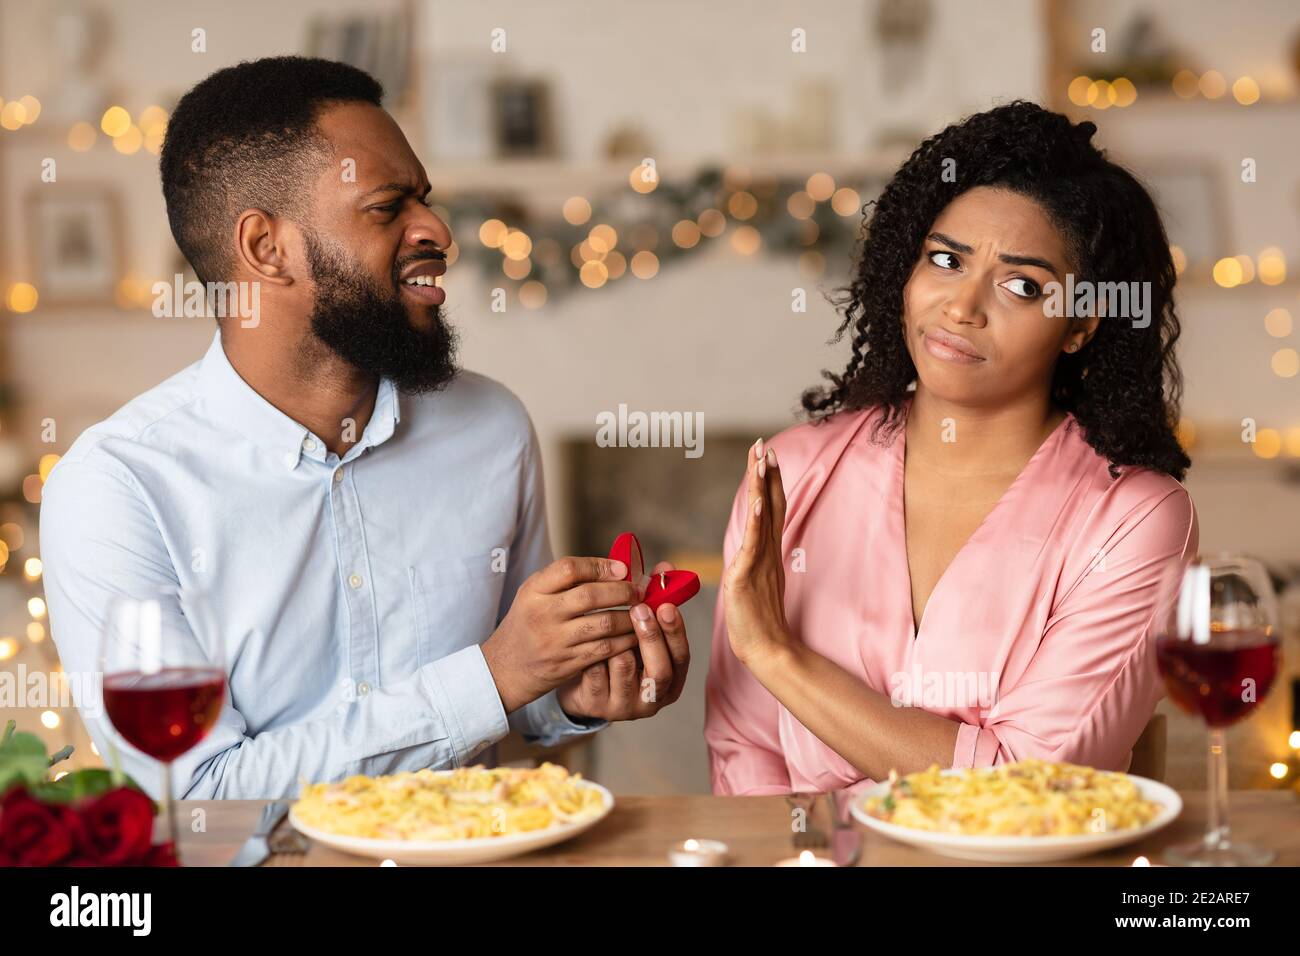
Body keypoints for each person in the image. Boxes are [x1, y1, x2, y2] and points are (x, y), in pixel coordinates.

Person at [42, 57, 689, 800]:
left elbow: (528, 696)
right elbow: (194, 803)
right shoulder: (118, 489)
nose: (437, 229)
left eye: (426, 199)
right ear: (264, 248)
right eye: (389, 207)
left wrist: (575, 690)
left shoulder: (493, 427)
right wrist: (493, 674)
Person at [706, 102, 1198, 795]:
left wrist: (776, 655)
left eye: (1023, 285)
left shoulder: (1135, 519)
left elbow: (1032, 788)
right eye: (945, 259)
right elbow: (744, 748)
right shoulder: (793, 471)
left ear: (1081, 324)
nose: (963, 307)